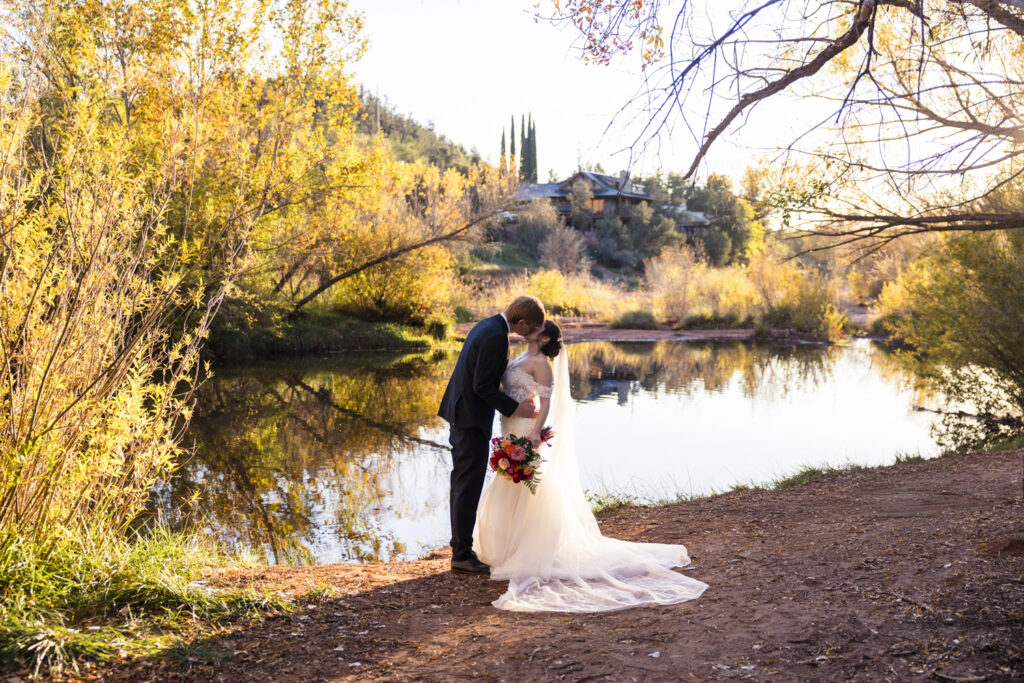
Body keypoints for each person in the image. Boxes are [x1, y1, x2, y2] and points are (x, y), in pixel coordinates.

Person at [473, 320, 709, 612]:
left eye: (535, 327)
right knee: (510, 484)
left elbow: (545, 403)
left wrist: (536, 431)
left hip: (525, 428)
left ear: (543, 336)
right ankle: (508, 547)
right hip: (509, 424)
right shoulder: (521, 356)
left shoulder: (541, 364)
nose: (528, 328)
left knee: (528, 485)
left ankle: (530, 549)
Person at [437, 296, 545, 574]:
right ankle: (461, 554)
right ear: (520, 322)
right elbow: (483, 386)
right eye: (529, 327)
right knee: (467, 485)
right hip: (469, 419)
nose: (528, 333)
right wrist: (516, 407)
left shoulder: (487, 325)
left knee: (463, 482)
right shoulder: (497, 336)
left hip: (462, 413)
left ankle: (460, 548)